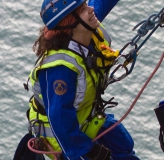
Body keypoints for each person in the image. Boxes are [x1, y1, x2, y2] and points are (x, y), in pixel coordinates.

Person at [20, 0, 140, 159]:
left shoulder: (86, 29)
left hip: (86, 117)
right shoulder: (59, 69)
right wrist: (88, 150)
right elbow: (60, 121)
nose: (90, 10)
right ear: (70, 23)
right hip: (64, 139)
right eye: (83, 9)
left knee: (123, 147)